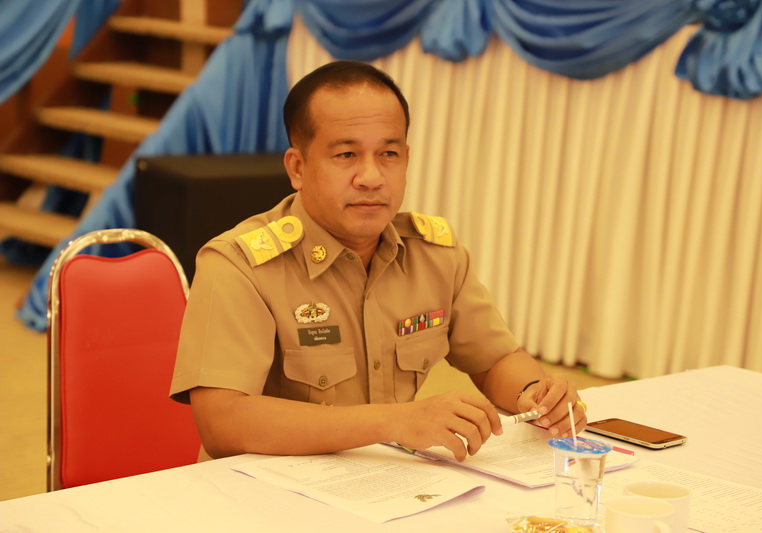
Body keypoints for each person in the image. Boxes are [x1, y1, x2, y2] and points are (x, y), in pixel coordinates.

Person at [169, 60, 587, 463]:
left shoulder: (435, 255)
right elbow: (222, 422)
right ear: (298, 168)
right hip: (264, 491)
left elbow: (495, 359)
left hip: (389, 482)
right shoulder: (240, 265)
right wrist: (394, 421)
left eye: (388, 154)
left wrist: (535, 393)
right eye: (346, 155)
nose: (371, 177)